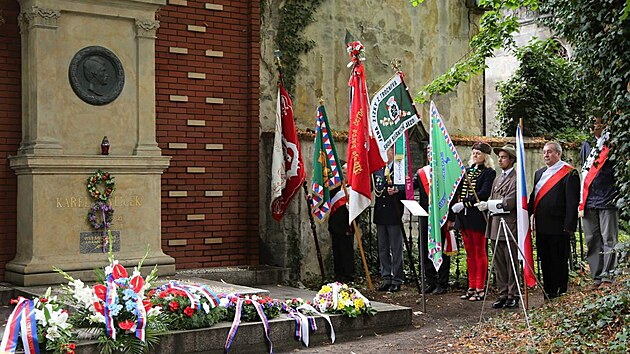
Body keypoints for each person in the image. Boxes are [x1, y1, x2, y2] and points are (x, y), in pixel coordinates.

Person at [529, 141, 579, 300]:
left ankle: (560, 289)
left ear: (559, 153)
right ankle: (549, 290)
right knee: (545, 259)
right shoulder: (539, 173)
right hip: (542, 225)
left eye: (550, 152)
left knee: (559, 259)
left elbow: (572, 202)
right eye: (544, 152)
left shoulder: (569, 173)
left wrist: (569, 226)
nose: (546, 155)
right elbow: (534, 197)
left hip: (559, 226)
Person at [450, 141, 496, 301]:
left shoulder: (489, 173)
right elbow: (458, 189)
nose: (475, 155)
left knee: (479, 251)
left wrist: (464, 203)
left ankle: (480, 288)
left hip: (477, 216)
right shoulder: (467, 171)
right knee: (469, 252)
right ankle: (471, 286)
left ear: (485, 156)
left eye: (478, 153)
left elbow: (483, 193)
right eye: (474, 153)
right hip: (464, 216)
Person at [477, 144, 519, 309]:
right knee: (499, 263)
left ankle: (513, 294)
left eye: (503, 157)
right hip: (496, 225)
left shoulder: (516, 179)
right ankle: (502, 294)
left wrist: (489, 205)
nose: (500, 160)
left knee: (510, 262)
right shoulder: (498, 178)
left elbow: (508, 203)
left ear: (512, 160)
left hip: (509, 225)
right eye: (499, 157)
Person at [579, 118, 619, 289]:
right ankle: (596, 277)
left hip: (607, 200)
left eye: (599, 123)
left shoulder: (613, 143)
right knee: (592, 240)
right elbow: (583, 171)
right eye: (593, 123)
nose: (595, 126)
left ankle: (608, 277)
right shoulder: (587, 146)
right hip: (589, 201)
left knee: (609, 239)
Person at [415, 165, 452, 294]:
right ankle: (431, 281)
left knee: (440, 249)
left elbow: (451, 195)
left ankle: (442, 283)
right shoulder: (422, 172)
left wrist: (451, 218)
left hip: (441, 216)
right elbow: (410, 187)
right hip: (426, 216)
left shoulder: (445, 171)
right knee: (425, 248)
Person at [373, 146, 406, 292]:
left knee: (396, 247)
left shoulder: (400, 169)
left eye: (387, 151)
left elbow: (409, 187)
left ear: (393, 152)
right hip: (381, 213)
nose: (385, 154)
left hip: (394, 212)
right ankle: (386, 277)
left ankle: (397, 278)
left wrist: (398, 190)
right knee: (383, 248)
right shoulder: (379, 169)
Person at [328, 161, 355, 283]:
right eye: (343, 173)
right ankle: (338, 275)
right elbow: (326, 200)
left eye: (346, 173)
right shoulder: (336, 188)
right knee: (337, 251)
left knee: (346, 252)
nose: (344, 175)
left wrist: (351, 226)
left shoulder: (353, 190)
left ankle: (348, 276)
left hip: (347, 226)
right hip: (335, 225)